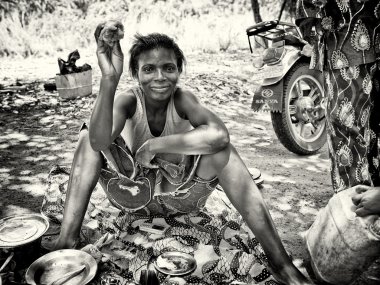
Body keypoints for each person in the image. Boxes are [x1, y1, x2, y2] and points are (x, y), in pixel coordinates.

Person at [44, 20, 311, 285]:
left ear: (179, 71)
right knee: (86, 138)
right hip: (131, 196)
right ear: (136, 74)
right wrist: (109, 79)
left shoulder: (183, 99)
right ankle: (68, 240)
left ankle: (281, 265)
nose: (159, 77)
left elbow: (220, 136)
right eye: (148, 69)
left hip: (181, 198)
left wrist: (155, 145)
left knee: (223, 152)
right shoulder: (128, 100)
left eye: (168, 68)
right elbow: (99, 140)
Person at [296, 0, 380, 282]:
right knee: (358, 134)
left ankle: (355, 234)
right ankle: (359, 232)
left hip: (349, 40)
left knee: (350, 133)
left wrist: (314, 25)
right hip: (351, 40)